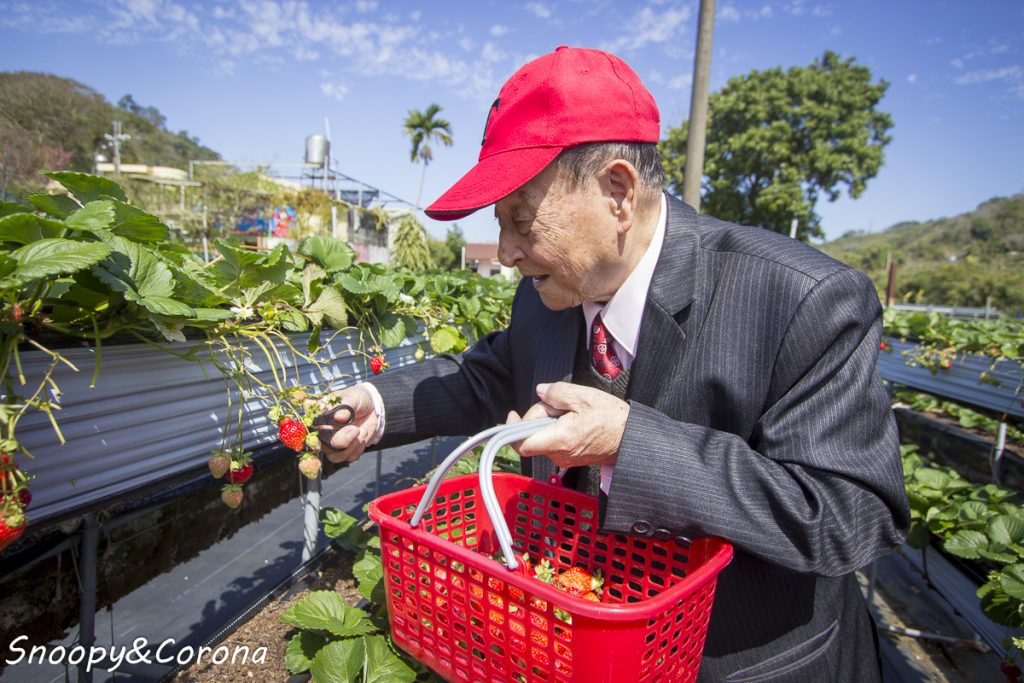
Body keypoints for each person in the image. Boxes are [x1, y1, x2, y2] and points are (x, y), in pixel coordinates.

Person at [317, 45, 908, 682]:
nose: (508, 251)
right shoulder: (545, 292)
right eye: (499, 224)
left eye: (521, 220)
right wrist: (374, 407)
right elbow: (487, 375)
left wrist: (630, 443)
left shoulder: (803, 300)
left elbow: (851, 511)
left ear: (618, 192)